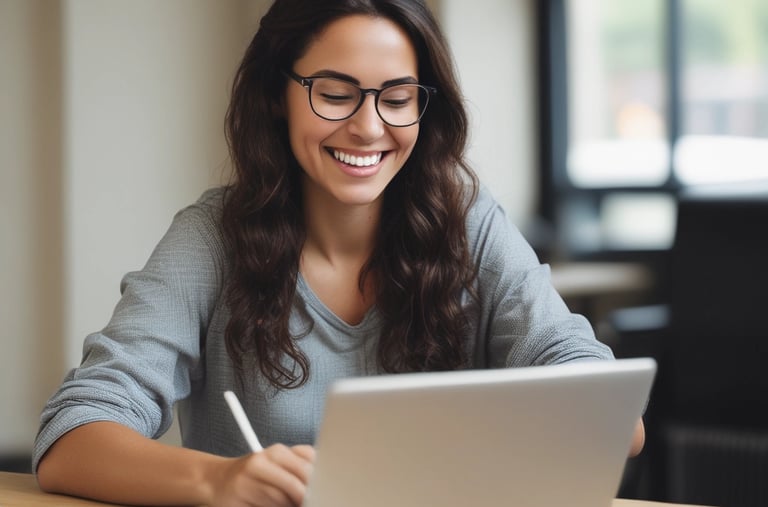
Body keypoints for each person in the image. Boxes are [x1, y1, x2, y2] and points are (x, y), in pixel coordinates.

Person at [34, 0, 644, 506]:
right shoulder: (212, 238)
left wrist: (584, 410)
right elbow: (71, 437)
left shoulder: (469, 225)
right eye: (334, 93)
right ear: (278, 94)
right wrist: (219, 481)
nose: (369, 128)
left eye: (397, 99)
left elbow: (612, 412)